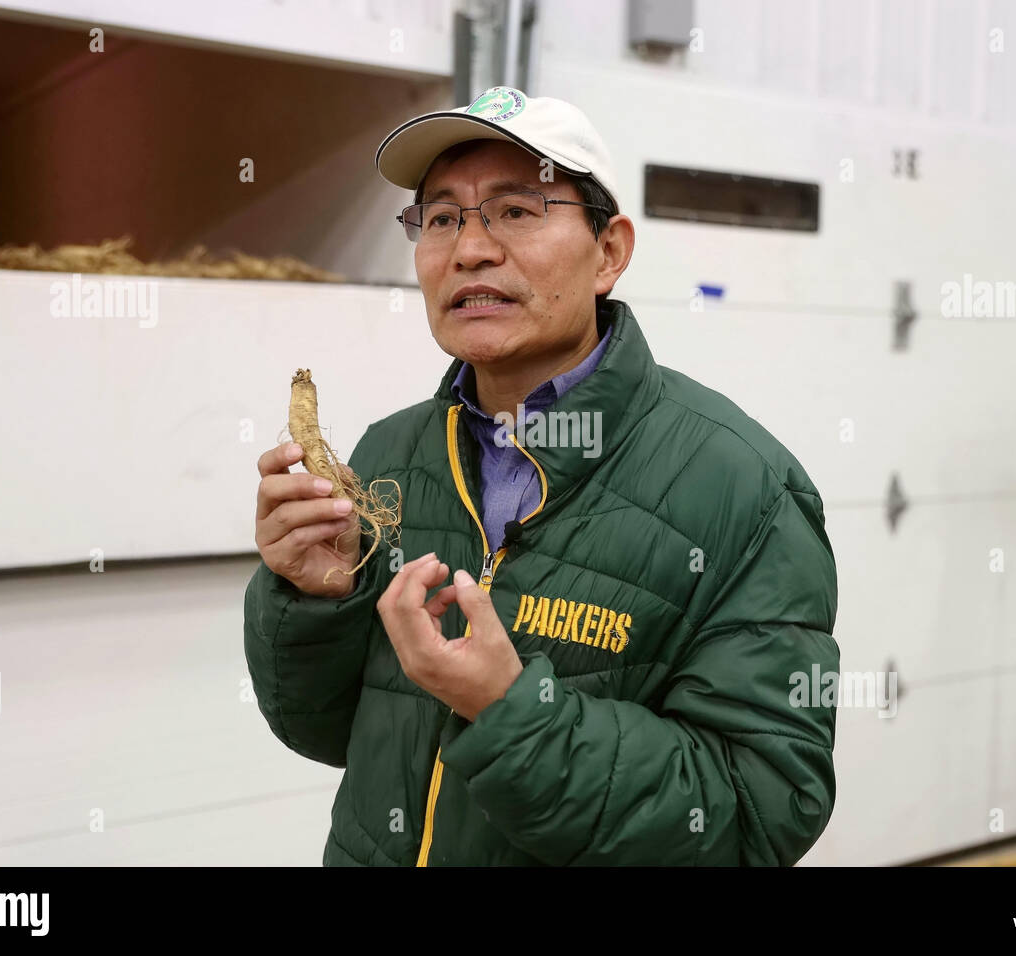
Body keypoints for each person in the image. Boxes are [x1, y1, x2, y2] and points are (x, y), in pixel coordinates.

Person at [244, 86, 839, 866]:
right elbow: (327, 732)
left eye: (517, 211)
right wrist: (318, 600)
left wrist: (512, 713)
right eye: (443, 218)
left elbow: (759, 813)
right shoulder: (391, 457)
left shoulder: (743, 489)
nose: (470, 250)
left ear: (610, 252)